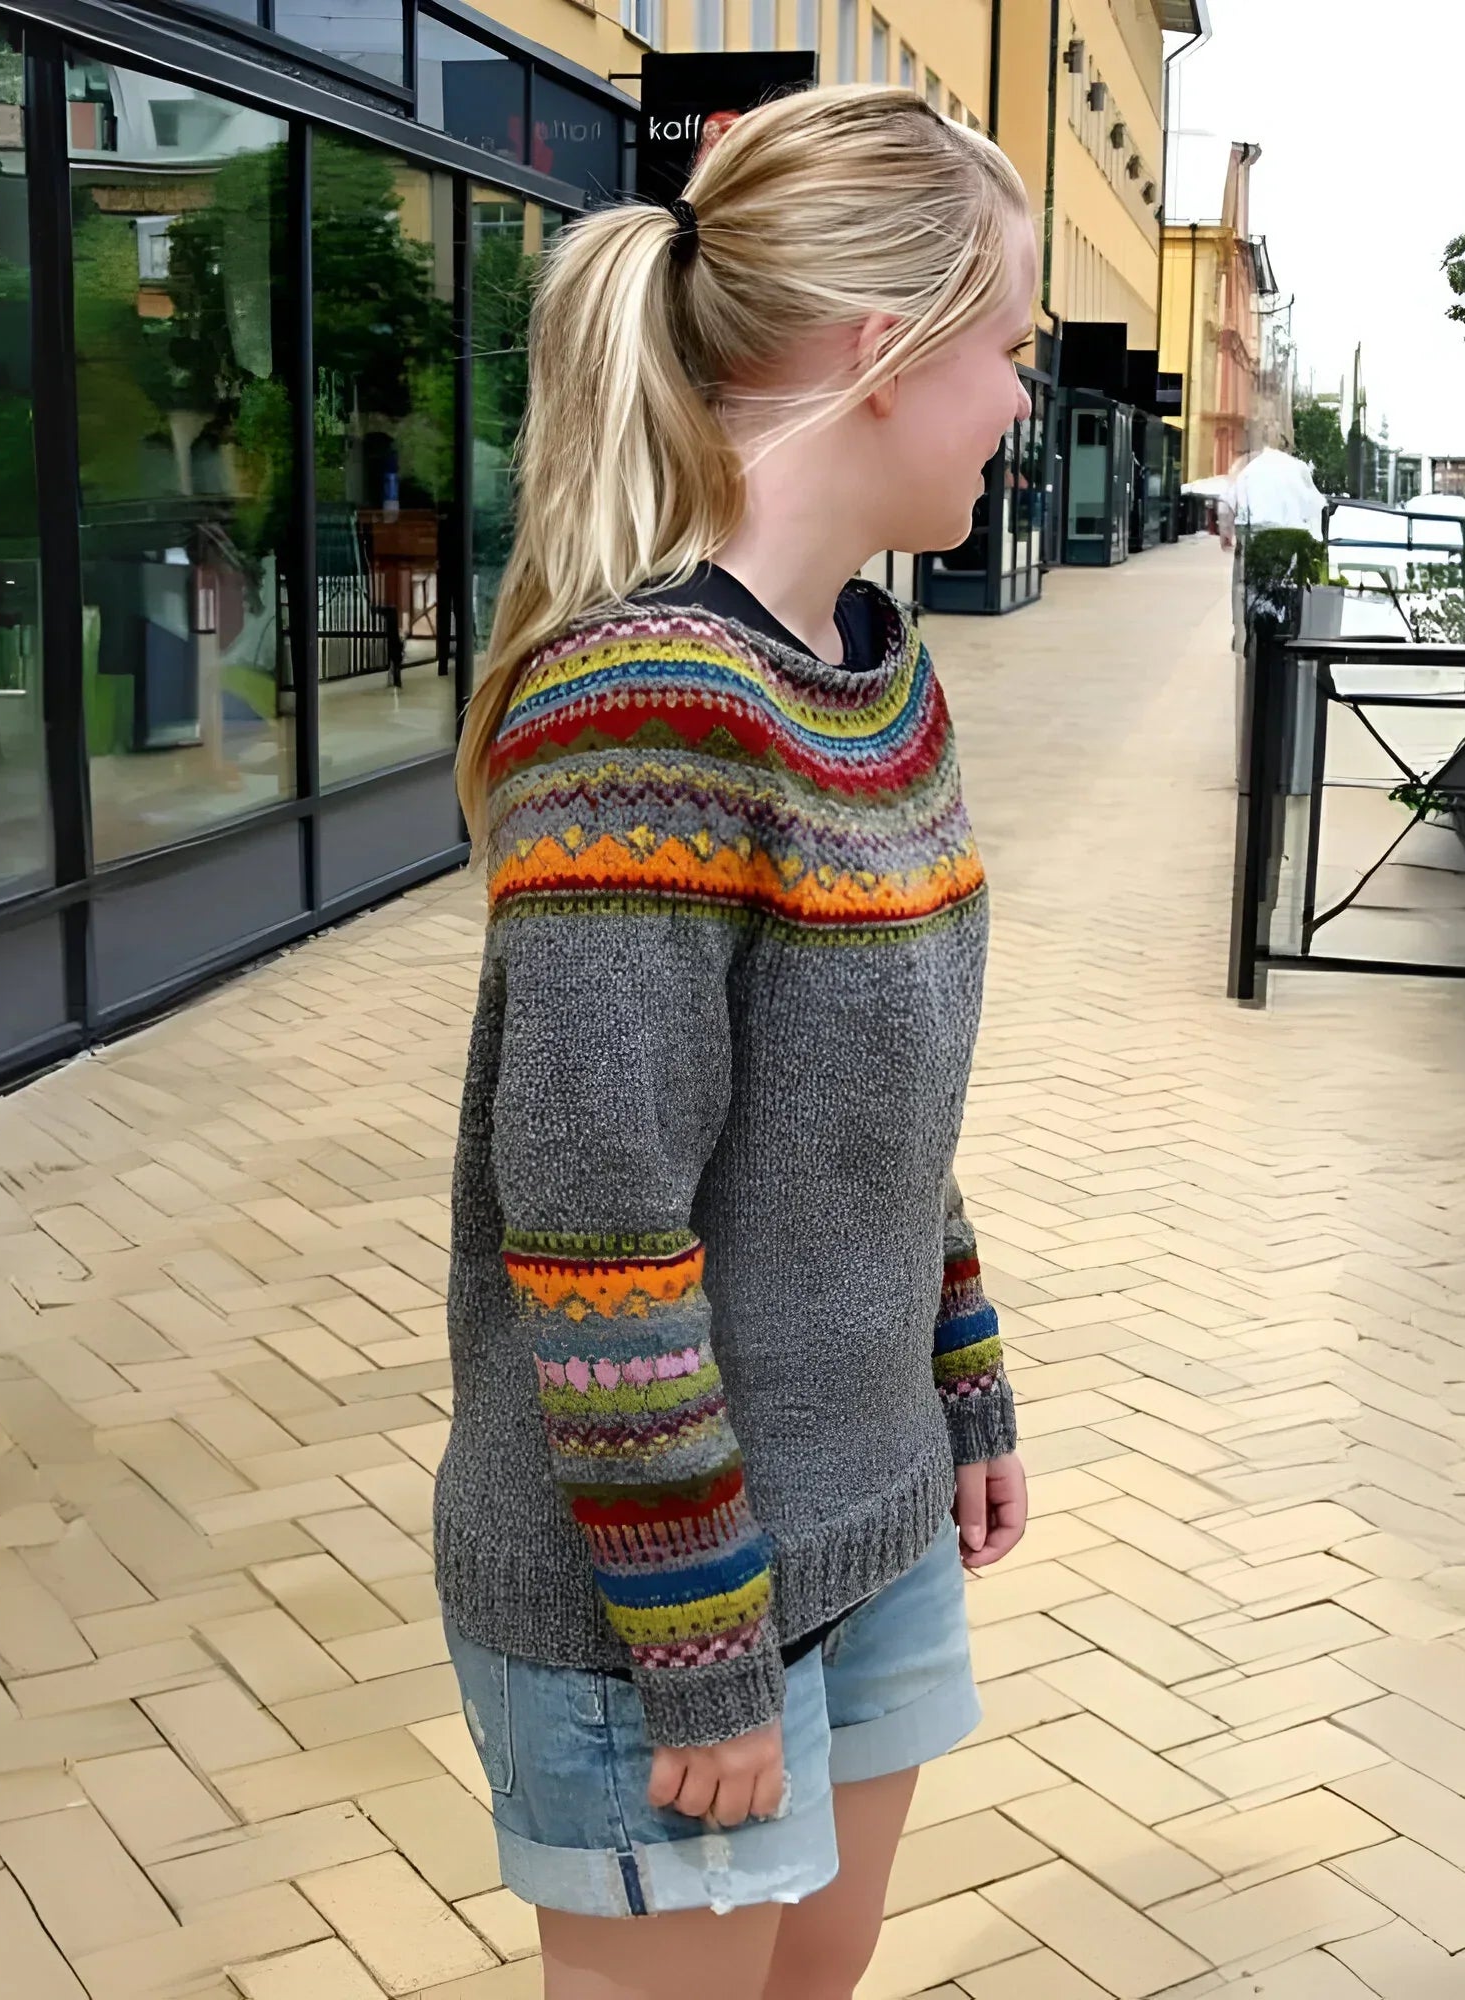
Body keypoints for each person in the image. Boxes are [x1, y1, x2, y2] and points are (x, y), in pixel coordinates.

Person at [435, 83, 1036, 2000]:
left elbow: (879, 1113)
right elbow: (595, 1233)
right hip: (660, 1602)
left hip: (869, 1525)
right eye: (1008, 348)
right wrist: (698, 1641)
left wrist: (961, 1379)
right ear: (883, 352)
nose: (1021, 398)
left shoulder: (881, 678)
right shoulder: (645, 716)